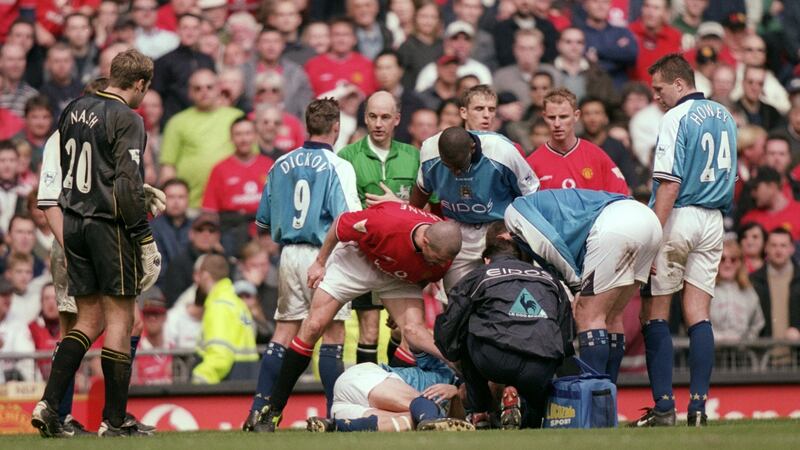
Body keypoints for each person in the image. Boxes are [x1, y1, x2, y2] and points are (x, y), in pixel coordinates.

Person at [31, 49, 162, 437]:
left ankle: (48, 403)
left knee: (87, 320)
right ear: (139, 84)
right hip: (109, 226)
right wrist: (143, 236)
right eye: (144, 89)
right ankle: (115, 419)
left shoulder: (73, 108)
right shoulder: (128, 118)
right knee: (121, 319)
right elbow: (125, 183)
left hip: (74, 224)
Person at [253, 201, 463, 432]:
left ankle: (443, 366)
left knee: (412, 331)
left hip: (399, 276)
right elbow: (339, 224)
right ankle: (272, 411)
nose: (444, 264)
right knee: (313, 326)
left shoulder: (444, 251)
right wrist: (320, 263)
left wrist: (400, 307)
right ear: (425, 241)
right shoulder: (385, 224)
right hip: (358, 261)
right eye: (439, 258)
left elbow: (427, 274)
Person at [244, 98, 362, 431]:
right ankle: (334, 414)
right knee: (333, 333)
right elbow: (348, 219)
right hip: (323, 254)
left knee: (284, 331)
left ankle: (259, 410)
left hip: (289, 254)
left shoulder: (280, 162)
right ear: (336, 127)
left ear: (306, 125)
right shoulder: (339, 166)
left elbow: (263, 222)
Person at [634, 54, 737, 428]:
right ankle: (698, 406)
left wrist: (651, 237)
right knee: (698, 314)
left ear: (679, 84)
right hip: (714, 220)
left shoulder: (675, 117)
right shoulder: (725, 115)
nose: (657, 97)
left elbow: (669, 183)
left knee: (655, 312)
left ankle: (664, 407)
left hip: (680, 216)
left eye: (660, 88)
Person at [504, 189, 661, 383]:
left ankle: (593, 398)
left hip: (616, 225)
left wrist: (577, 287)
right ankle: (606, 399)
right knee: (611, 316)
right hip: (646, 220)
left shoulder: (513, 213)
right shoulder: (550, 205)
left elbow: (550, 243)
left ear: (504, 236)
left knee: (588, 314)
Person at [435, 221, 574, 429]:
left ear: (487, 259)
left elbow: (450, 328)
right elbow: (566, 336)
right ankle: (529, 415)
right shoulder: (549, 279)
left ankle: (480, 411)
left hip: (495, 360)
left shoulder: (478, 276)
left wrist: (453, 354)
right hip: (541, 364)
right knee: (532, 408)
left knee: (463, 330)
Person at [338, 91, 421, 366]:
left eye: (385, 117)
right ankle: (366, 391)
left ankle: (394, 384)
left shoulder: (413, 156)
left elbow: (428, 211)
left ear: (397, 119)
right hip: (363, 255)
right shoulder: (347, 156)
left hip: (403, 257)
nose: (378, 123)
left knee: (404, 329)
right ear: (364, 117)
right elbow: (340, 209)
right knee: (369, 331)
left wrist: (398, 205)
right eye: (372, 116)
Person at [411, 126, 538, 290]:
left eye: (459, 165)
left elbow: (531, 194)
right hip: (457, 230)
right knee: (457, 295)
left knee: (506, 291)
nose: (455, 172)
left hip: (500, 228)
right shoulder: (429, 150)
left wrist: (519, 231)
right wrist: (410, 221)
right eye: (448, 166)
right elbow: (422, 190)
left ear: (472, 148)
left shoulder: (502, 152)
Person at [306, 352, 473, 432]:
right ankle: (429, 419)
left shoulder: (463, 407)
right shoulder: (445, 371)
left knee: (408, 424)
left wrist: (456, 394)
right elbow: (413, 334)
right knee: (424, 407)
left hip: (346, 412)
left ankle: (332, 426)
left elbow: (454, 425)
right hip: (363, 380)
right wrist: (453, 359)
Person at [159, 69, 244, 207]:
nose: (204, 91)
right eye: (198, 88)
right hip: (190, 204)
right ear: (190, 93)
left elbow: (252, 158)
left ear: (218, 89)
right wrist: (169, 203)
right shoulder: (176, 122)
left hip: (233, 203)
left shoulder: (237, 117)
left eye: (209, 87)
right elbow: (168, 167)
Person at [526, 88, 629, 194]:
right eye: (552, 117)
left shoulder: (597, 156)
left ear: (576, 116)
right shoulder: (532, 164)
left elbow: (621, 196)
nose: (557, 124)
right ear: (544, 117)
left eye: (563, 117)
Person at [202, 117, 274, 255]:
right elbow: (209, 212)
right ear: (231, 138)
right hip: (231, 233)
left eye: (247, 133)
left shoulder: (269, 165)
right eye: (238, 134)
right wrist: (214, 240)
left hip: (265, 233)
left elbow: (281, 205)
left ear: (255, 136)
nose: (244, 139)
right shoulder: (220, 169)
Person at [191, 253, 258, 384]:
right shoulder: (236, 303)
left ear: (205, 275)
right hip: (244, 381)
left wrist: (199, 378)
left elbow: (220, 356)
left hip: (226, 386)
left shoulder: (219, 306)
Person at [750, 228, 800, 342]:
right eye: (774, 245)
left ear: (792, 248)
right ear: (766, 247)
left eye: (783, 245)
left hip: (796, 355)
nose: (778, 250)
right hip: (762, 354)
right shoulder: (753, 280)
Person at [711, 239, 765, 342]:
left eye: (733, 259)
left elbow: (758, 323)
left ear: (740, 263)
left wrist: (746, 341)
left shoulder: (749, 292)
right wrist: (716, 338)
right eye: (722, 259)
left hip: (741, 355)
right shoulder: (706, 290)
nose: (728, 264)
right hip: (712, 352)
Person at [740, 167, 800, 241]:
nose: (753, 194)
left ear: (772, 186)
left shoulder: (798, 211)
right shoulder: (749, 220)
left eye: (756, 188)